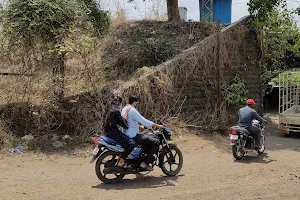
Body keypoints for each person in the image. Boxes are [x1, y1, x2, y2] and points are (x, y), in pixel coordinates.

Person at [121, 96, 164, 171]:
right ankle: (144, 163)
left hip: (126, 134)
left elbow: (128, 122)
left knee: (147, 137)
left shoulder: (124, 109)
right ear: (134, 102)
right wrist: (158, 125)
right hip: (133, 136)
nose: (136, 104)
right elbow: (144, 121)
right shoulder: (132, 110)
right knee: (156, 142)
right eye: (136, 103)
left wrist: (138, 126)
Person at [103, 96, 135, 169]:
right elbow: (124, 124)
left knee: (124, 143)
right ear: (119, 103)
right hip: (113, 132)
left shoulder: (108, 109)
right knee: (131, 143)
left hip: (106, 131)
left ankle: (118, 157)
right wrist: (126, 112)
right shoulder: (116, 111)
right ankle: (122, 161)